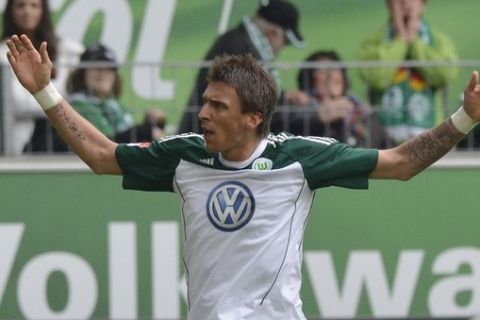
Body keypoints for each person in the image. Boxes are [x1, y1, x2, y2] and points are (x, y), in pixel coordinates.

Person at [6, 34, 480, 320]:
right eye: (205, 102)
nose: (203, 113)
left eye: (217, 106)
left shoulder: (298, 159)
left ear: (253, 118)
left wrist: (465, 116)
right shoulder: (185, 156)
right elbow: (101, 155)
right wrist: (46, 89)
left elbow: (401, 162)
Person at [177, 0, 311, 134]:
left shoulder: (238, 40)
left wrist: (284, 95)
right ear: (273, 33)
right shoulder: (241, 50)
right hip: (209, 140)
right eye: (285, 42)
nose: (282, 47)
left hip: (207, 134)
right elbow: (255, 101)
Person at [359, 0, 458, 146]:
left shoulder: (439, 40)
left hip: (430, 137)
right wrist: (401, 40)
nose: (405, 3)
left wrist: (414, 41)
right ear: (389, 5)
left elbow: (443, 75)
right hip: (385, 140)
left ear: (423, 5)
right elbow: (376, 78)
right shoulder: (374, 41)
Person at [0, 0, 83, 154]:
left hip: (66, 140)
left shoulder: (68, 50)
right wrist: (57, 104)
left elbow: (78, 99)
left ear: (43, 10)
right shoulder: (2, 54)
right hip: (18, 145)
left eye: (34, 5)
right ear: (10, 12)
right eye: (20, 5)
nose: (27, 11)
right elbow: (15, 103)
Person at [272, 50, 384, 147]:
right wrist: (317, 116)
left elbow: (385, 144)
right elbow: (276, 125)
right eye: (321, 70)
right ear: (309, 77)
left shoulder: (362, 111)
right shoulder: (299, 105)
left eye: (335, 68)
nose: (330, 75)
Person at [67, 43, 166, 143]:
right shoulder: (77, 105)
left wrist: (152, 123)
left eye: (109, 68)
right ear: (83, 73)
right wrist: (144, 131)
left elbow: (126, 134)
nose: (103, 73)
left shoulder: (114, 105)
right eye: (97, 67)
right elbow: (106, 141)